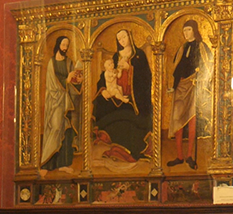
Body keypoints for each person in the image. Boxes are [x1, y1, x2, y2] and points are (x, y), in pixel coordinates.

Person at [91, 28, 153, 162]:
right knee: (101, 102)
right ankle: (114, 144)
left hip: (134, 98)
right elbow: (105, 76)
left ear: (130, 37)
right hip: (116, 95)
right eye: (119, 39)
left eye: (124, 37)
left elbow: (146, 77)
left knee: (128, 116)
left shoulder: (139, 55)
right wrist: (103, 90)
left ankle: (130, 151)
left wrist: (130, 68)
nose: (122, 41)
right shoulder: (116, 56)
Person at [165, 19, 213, 170]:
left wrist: (202, 80)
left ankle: (190, 155)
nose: (186, 33)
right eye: (184, 30)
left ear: (194, 30)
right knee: (177, 120)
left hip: (193, 86)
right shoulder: (182, 48)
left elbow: (209, 66)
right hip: (180, 86)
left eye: (189, 30)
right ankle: (180, 156)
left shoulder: (201, 46)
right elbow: (176, 68)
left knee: (192, 120)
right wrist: (173, 86)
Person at [40, 36, 83, 171]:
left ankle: (63, 164)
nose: (65, 48)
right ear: (58, 45)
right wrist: (66, 81)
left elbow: (74, 82)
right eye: (63, 45)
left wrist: (78, 80)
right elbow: (51, 85)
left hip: (67, 101)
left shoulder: (69, 62)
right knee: (56, 127)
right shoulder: (51, 63)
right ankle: (47, 162)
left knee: (67, 129)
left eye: (67, 45)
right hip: (55, 101)